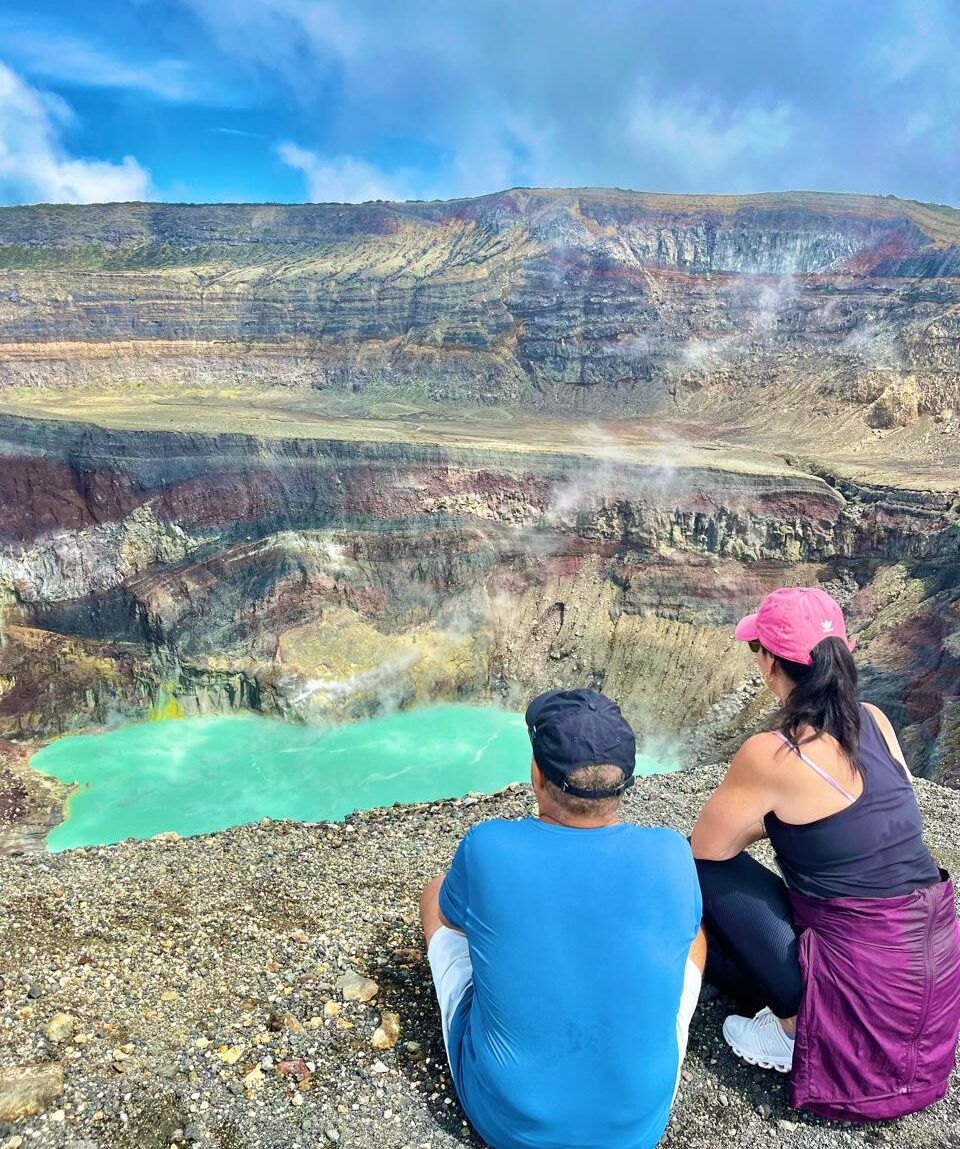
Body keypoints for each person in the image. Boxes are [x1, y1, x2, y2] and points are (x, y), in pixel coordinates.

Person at [691, 586, 960, 1122]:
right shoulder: (874, 720)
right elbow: (874, 816)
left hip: (859, 991)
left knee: (700, 867)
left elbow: (710, 845)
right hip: (926, 978)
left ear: (769, 661)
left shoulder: (775, 752)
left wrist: (770, 819)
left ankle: (794, 1030)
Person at [420, 688, 705, 1149]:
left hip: (508, 1122)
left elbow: (454, 923)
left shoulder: (487, 846)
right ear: (625, 782)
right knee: (695, 936)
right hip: (636, 1127)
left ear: (537, 775)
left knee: (437, 895)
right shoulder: (671, 851)